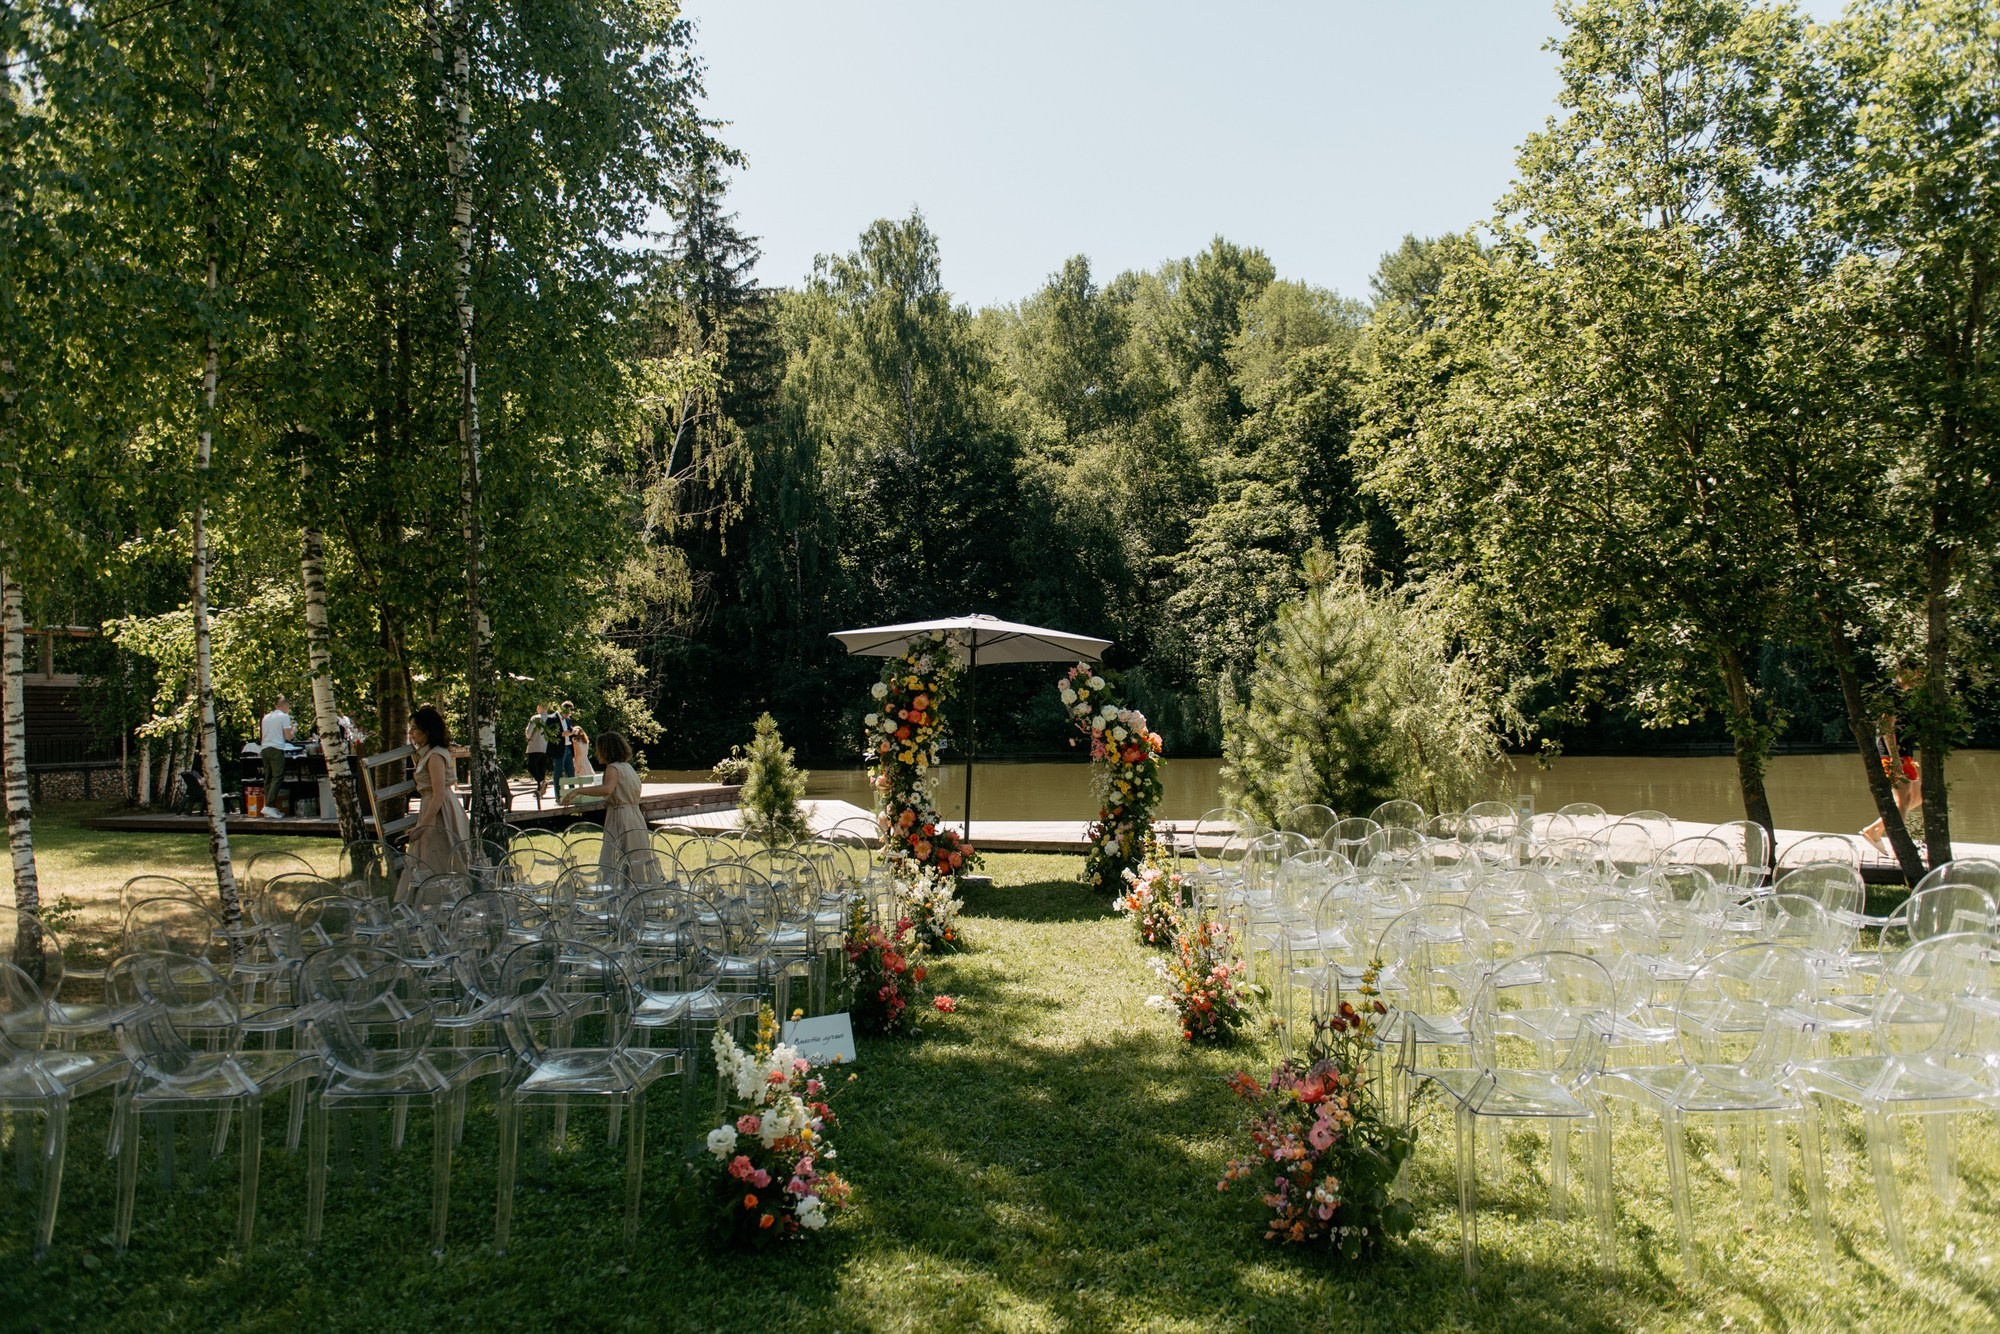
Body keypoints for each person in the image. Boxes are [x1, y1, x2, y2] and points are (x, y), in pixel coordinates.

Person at [560, 730, 661, 884]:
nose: (596, 753)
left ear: (607, 750)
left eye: (599, 749)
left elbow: (607, 788)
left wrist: (579, 790)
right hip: (634, 814)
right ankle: (636, 886)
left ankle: (617, 889)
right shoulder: (627, 767)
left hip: (620, 815)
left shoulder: (612, 768)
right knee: (635, 853)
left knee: (616, 854)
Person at [400, 704, 471, 892]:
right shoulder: (427, 754)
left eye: (414, 729)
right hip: (431, 805)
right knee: (427, 855)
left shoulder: (435, 756)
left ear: (427, 730)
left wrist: (422, 825)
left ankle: (441, 902)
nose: (411, 734)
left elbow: (438, 794)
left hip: (441, 811)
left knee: (438, 855)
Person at [1861, 710, 1922, 855]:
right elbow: (1886, 728)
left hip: (1905, 754)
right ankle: (1899, 847)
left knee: (1919, 796)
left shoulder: (1906, 697)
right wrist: (1895, 758)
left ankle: (1875, 830)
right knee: (1904, 800)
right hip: (1893, 755)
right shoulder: (1892, 695)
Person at [258, 695, 294, 817]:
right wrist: (294, 730)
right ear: (284, 706)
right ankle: (269, 805)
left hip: (264, 748)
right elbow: (289, 737)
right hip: (276, 749)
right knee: (277, 777)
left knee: (268, 778)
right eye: (288, 707)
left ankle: (269, 807)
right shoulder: (284, 717)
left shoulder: (266, 717)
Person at [524, 701, 555, 804]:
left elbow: (529, 733)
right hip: (546, 746)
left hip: (535, 746)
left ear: (540, 707)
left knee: (531, 766)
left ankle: (541, 782)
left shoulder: (535, 718)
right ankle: (539, 791)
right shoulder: (551, 718)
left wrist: (527, 736)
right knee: (542, 768)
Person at [550, 699, 578, 794]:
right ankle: (558, 795)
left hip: (568, 748)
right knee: (558, 773)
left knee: (571, 772)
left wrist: (573, 732)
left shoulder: (568, 719)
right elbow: (550, 734)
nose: (568, 715)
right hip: (559, 749)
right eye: (567, 713)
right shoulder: (552, 718)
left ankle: (572, 793)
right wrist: (562, 734)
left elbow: (569, 730)